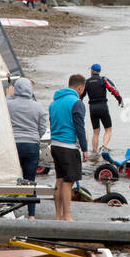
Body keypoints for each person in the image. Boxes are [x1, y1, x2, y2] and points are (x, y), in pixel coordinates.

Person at [6, 77, 48, 217]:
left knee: (13, 179)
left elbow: (2, 118)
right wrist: (34, 138)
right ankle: (31, 215)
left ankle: (10, 211)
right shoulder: (38, 106)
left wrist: (8, 95)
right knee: (30, 181)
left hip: (14, 146)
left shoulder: (9, 104)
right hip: (31, 146)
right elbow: (42, 129)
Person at [49, 74, 89, 221]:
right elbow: (80, 127)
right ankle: (67, 215)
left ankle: (58, 216)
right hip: (68, 146)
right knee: (68, 181)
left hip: (55, 145)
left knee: (59, 180)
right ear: (80, 87)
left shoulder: (54, 102)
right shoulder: (76, 102)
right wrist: (85, 149)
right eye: (83, 89)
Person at [82, 64, 124, 160]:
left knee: (96, 132)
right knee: (108, 129)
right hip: (103, 107)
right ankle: (104, 147)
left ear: (92, 71)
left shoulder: (87, 82)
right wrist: (119, 99)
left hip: (92, 108)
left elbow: (81, 95)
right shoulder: (103, 79)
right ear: (99, 71)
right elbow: (113, 89)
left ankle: (95, 152)